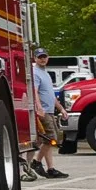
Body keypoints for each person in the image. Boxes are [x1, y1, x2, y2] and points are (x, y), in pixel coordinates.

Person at [30, 48, 70, 179]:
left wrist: (61, 109)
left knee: (48, 140)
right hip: (44, 111)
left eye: (44, 56)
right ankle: (36, 162)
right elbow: (34, 91)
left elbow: (51, 95)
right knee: (51, 138)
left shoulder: (46, 74)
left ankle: (51, 169)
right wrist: (39, 107)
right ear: (34, 58)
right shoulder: (35, 73)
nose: (42, 59)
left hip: (50, 110)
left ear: (48, 57)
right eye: (39, 57)